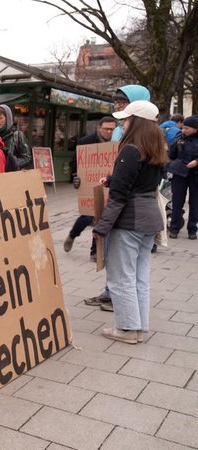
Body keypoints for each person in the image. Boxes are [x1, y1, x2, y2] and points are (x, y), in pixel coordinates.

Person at [94, 100, 167, 344]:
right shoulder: (156, 148)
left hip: (130, 220)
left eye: (125, 119)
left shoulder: (130, 149)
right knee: (139, 276)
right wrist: (114, 179)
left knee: (121, 276)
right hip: (150, 219)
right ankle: (137, 326)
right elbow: (141, 181)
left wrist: (102, 227)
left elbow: (120, 196)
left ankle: (126, 328)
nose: (122, 123)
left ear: (135, 122)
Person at [83, 84, 151, 310]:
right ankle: (113, 296)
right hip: (136, 209)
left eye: (123, 102)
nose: (119, 107)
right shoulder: (141, 135)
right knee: (133, 270)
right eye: (117, 102)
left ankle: (125, 317)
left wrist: (103, 225)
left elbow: (127, 181)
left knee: (124, 269)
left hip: (128, 212)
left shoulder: (135, 140)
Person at [64, 116, 117, 259]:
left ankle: (95, 251)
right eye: (106, 129)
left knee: (102, 217)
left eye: (111, 129)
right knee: (88, 216)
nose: (108, 132)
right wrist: (76, 176)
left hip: (107, 184)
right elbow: (74, 162)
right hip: (89, 185)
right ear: (99, 128)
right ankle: (72, 235)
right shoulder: (85, 142)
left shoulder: (116, 144)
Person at [167, 115, 198, 239]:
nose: (184, 130)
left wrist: (197, 162)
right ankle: (174, 228)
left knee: (195, 202)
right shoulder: (179, 137)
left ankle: (192, 229)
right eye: (183, 127)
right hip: (180, 172)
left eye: (187, 128)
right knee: (177, 201)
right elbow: (172, 154)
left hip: (195, 174)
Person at [0, 104, 32, 169]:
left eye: (0, 118)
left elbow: (27, 158)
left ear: (8, 119)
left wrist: (13, 163)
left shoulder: (17, 135)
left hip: (12, 176)